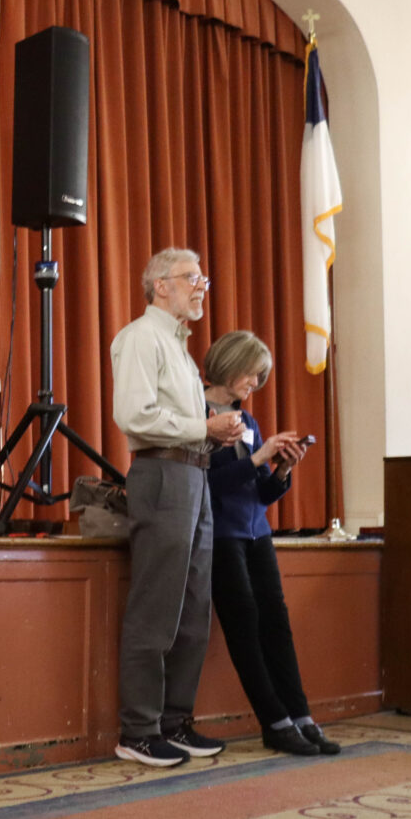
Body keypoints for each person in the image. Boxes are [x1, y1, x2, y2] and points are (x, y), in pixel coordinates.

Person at [110, 248, 246, 768]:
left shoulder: (179, 348)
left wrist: (217, 431)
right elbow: (136, 416)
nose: (201, 287)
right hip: (163, 475)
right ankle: (138, 730)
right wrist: (202, 428)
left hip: (195, 473)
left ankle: (174, 721)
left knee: (192, 609)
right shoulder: (141, 338)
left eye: (202, 278)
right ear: (160, 285)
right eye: (192, 278)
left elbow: (183, 422)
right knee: (157, 607)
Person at [202, 331, 341, 757]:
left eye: (262, 376)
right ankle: (274, 722)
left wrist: (280, 470)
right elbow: (206, 485)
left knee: (277, 625)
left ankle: (301, 716)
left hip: (257, 533)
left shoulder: (249, 422)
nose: (257, 382)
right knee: (244, 625)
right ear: (229, 364)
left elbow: (260, 492)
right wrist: (259, 459)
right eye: (253, 372)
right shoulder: (197, 415)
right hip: (222, 536)